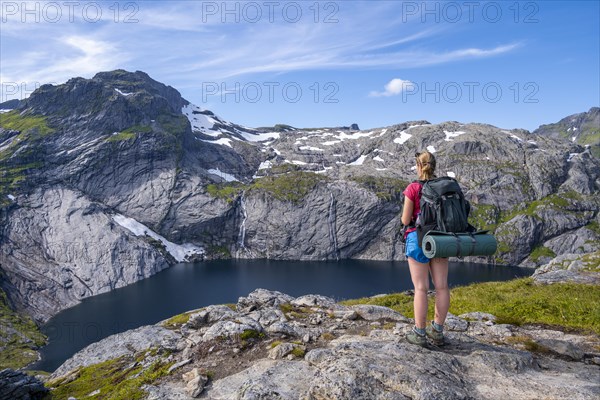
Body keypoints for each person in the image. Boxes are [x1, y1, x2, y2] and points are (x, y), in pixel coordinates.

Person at [401, 151, 448, 346]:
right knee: (442, 287)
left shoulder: (413, 188)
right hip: (441, 240)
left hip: (418, 238)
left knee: (421, 288)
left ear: (419, 166)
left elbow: (405, 219)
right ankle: (437, 331)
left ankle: (419, 333)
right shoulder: (443, 187)